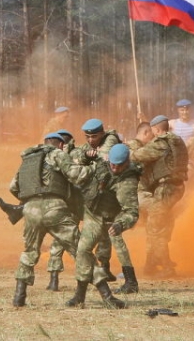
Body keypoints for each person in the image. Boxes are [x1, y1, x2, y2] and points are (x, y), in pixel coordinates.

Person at [8, 132, 94, 307]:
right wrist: (94, 167)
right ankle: (103, 292)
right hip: (54, 207)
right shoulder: (58, 154)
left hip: (30, 210)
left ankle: (19, 296)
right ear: (61, 145)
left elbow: (13, 187)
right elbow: (76, 174)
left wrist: (31, 200)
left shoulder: (28, 159)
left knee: (29, 252)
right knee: (79, 249)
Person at [66, 144, 140, 309]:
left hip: (106, 217)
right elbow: (78, 159)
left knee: (85, 250)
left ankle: (85, 294)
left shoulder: (128, 181)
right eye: (112, 164)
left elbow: (132, 212)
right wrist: (87, 156)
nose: (114, 168)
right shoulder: (103, 162)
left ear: (127, 162)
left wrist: (121, 224)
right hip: (90, 211)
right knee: (83, 250)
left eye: (118, 165)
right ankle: (80, 295)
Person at [131, 115, 189, 278]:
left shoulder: (161, 142)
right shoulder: (177, 140)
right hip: (176, 186)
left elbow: (137, 156)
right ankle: (150, 265)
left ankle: (166, 267)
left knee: (156, 229)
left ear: (156, 129)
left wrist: (129, 149)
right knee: (159, 224)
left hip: (166, 188)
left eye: (153, 131)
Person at [74, 118, 121, 282]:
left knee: (105, 232)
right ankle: (96, 267)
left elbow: (105, 156)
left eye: (94, 136)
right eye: (87, 136)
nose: (90, 140)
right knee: (95, 232)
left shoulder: (111, 140)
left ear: (101, 133)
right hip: (92, 195)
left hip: (108, 195)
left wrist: (91, 156)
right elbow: (77, 157)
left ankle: (104, 266)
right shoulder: (88, 146)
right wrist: (86, 155)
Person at [111, 121, 154, 294]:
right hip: (134, 196)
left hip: (128, 202)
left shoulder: (129, 150)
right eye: (150, 134)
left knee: (113, 233)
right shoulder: (133, 151)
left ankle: (129, 279)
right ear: (145, 133)